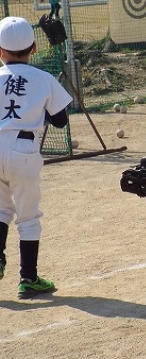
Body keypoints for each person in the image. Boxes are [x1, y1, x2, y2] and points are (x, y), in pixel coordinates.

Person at [0, 16, 72, 298]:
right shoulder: (43, 78)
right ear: (33, 49)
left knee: (1, 210)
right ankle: (28, 278)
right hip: (23, 151)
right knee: (28, 217)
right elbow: (60, 121)